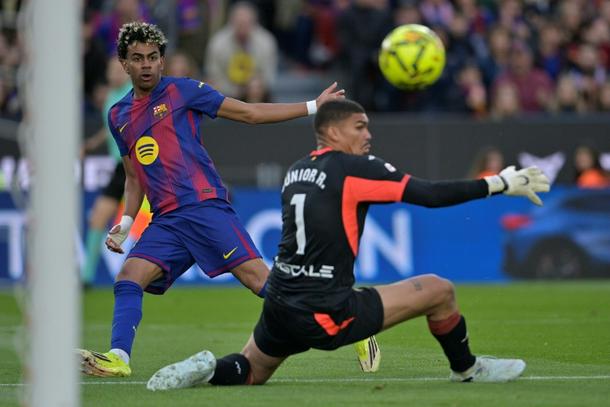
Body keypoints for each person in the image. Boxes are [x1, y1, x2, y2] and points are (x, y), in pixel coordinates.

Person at [146, 99, 550, 390]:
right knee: (440, 291)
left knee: (250, 370)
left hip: (281, 302)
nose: (368, 135)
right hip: (324, 309)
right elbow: (428, 194)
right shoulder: (354, 169)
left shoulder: (296, 170)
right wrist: (499, 183)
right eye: (360, 127)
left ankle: (208, 370)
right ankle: (466, 369)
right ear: (333, 131)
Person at [77, 22, 380, 378]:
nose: (146, 64)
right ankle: (118, 358)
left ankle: (352, 319)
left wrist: (314, 106)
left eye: (153, 57)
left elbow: (250, 114)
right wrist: (127, 222)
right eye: (138, 58)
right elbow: (133, 178)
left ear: (162, 60)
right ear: (124, 64)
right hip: (167, 220)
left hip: (204, 207)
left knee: (262, 284)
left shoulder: (183, 91)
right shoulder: (118, 115)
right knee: (129, 277)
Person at [81, 57, 135, 286]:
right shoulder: (111, 97)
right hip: (120, 167)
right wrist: (91, 144)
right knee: (98, 218)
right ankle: (86, 277)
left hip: (138, 165)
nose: (116, 74)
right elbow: (109, 128)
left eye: (119, 69)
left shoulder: (134, 93)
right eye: (112, 70)